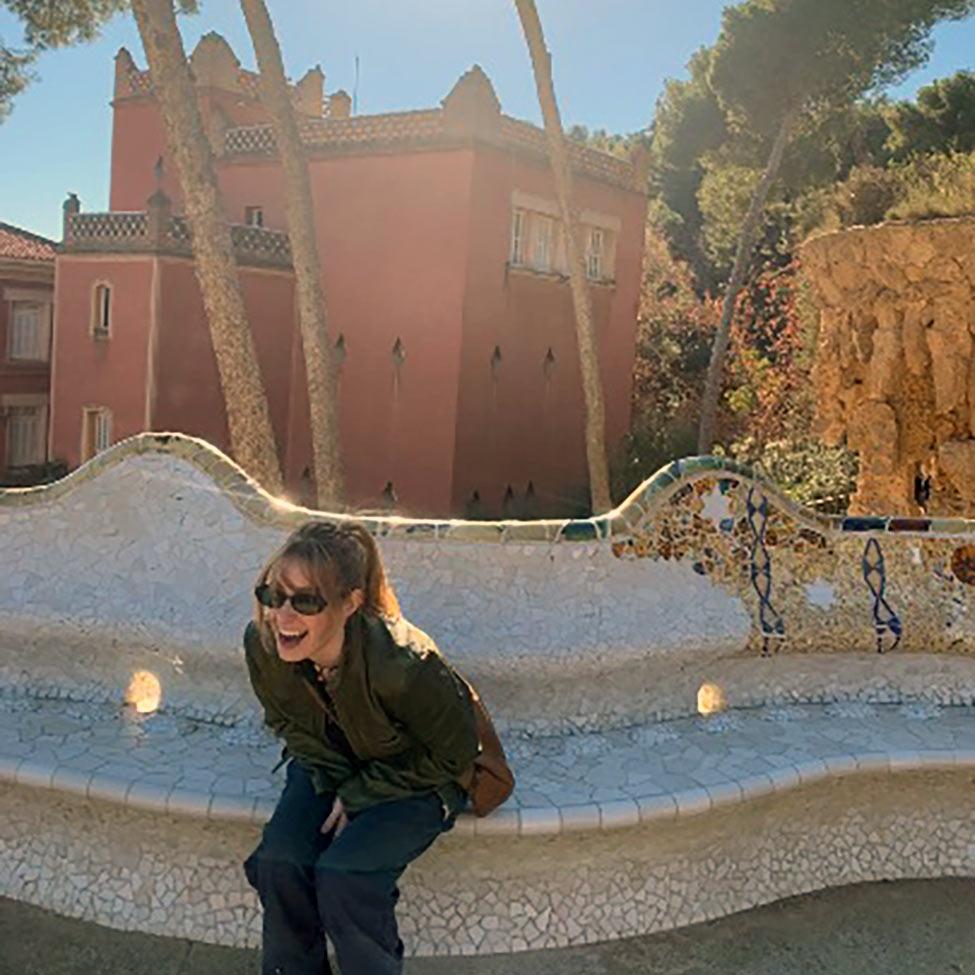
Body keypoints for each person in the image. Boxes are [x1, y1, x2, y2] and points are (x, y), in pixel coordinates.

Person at [242, 519, 479, 975]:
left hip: (419, 777)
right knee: (280, 862)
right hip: (328, 766)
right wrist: (339, 783)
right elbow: (285, 721)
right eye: (273, 594)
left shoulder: (405, 664)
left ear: (350, 603)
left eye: (306, 601)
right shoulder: (264, 644)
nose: (282, 615)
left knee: (345, 877)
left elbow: (455, 756)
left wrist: (361, 793)